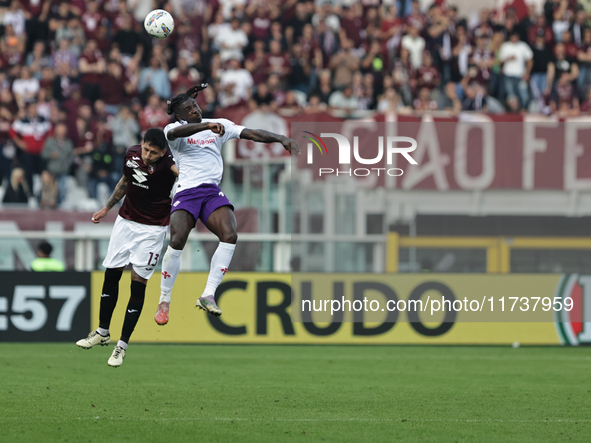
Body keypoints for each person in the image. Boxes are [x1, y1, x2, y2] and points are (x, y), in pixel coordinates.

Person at [155, 84, 300, 324]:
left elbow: (252, 133)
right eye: (189, 109)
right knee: (178, 239)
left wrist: (281, 138)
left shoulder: (220, 125)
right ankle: (164, 300)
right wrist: (205, 125)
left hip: (211, 192)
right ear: (180, 115)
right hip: (187, 191)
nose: (195, 110)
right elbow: (173, 135)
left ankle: (208, 294)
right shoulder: (174, 128)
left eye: (196, 105)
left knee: (230, 234)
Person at [75, 128, 183, 368]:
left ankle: (121, 346)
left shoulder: (170, 165)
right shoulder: (131, 154)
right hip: (124, 223)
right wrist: (106, 208)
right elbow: (125, 180)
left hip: (152, 230)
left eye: (153, 153)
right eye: (145, 149)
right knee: (111, 275)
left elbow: (186, 177)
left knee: (137, 283)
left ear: (163, 152)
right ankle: (103, 331)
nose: (147, 155)